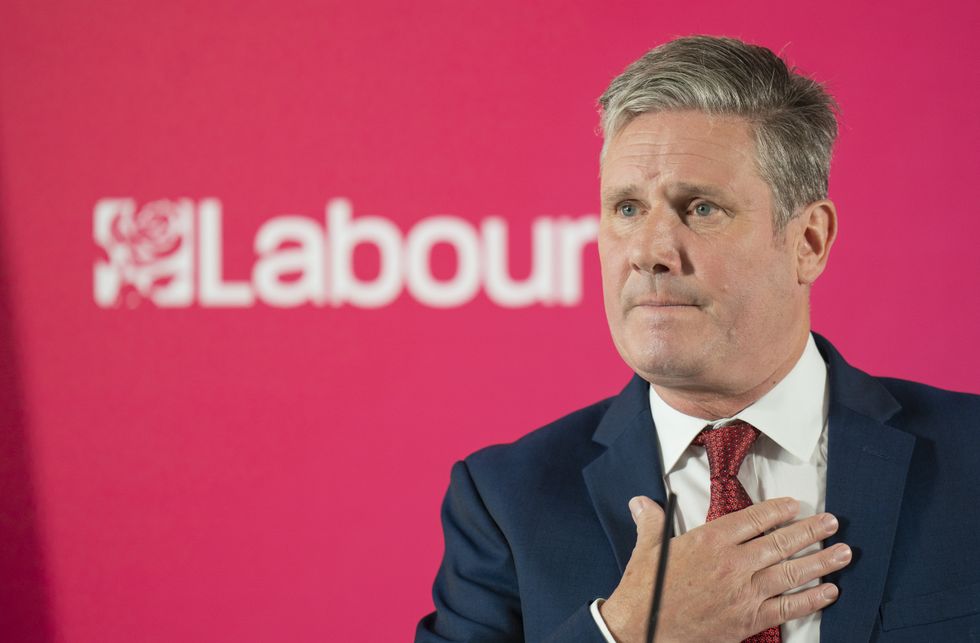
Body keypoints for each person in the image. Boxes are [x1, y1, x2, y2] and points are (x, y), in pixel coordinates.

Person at [415, 35, 980, 642]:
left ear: (808, 241)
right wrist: (625, 634)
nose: (650, 252)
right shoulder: (505, 500)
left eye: (701, 208)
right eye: (627, 209)